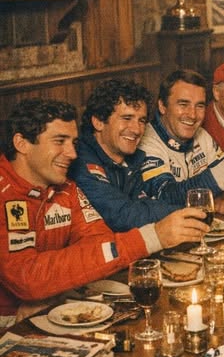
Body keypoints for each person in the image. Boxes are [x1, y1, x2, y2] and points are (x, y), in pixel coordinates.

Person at [0, 99, 208, 328]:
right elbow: (28, 278)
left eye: (74, 142)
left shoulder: (66, 189)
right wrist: (152, 236)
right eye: (59, 141)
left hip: (55, 306)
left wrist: (54, 289)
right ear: (22, 143)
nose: (71, 153)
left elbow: (99, 241)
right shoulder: (4, 194)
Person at [139, 68, 224, 214]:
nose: (192, 115)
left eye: (199, 106)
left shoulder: (201, 134)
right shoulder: (146, 141)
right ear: (162, 106)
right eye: (183, 104)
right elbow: (166, 196)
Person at [70, 79, 189, 232]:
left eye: (141, 121)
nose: (136, 130)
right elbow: (123, 216)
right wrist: (185, 211)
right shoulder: (80, 161)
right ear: (98, 122)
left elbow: (146, 204)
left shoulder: (130, 159)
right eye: (127, 118)